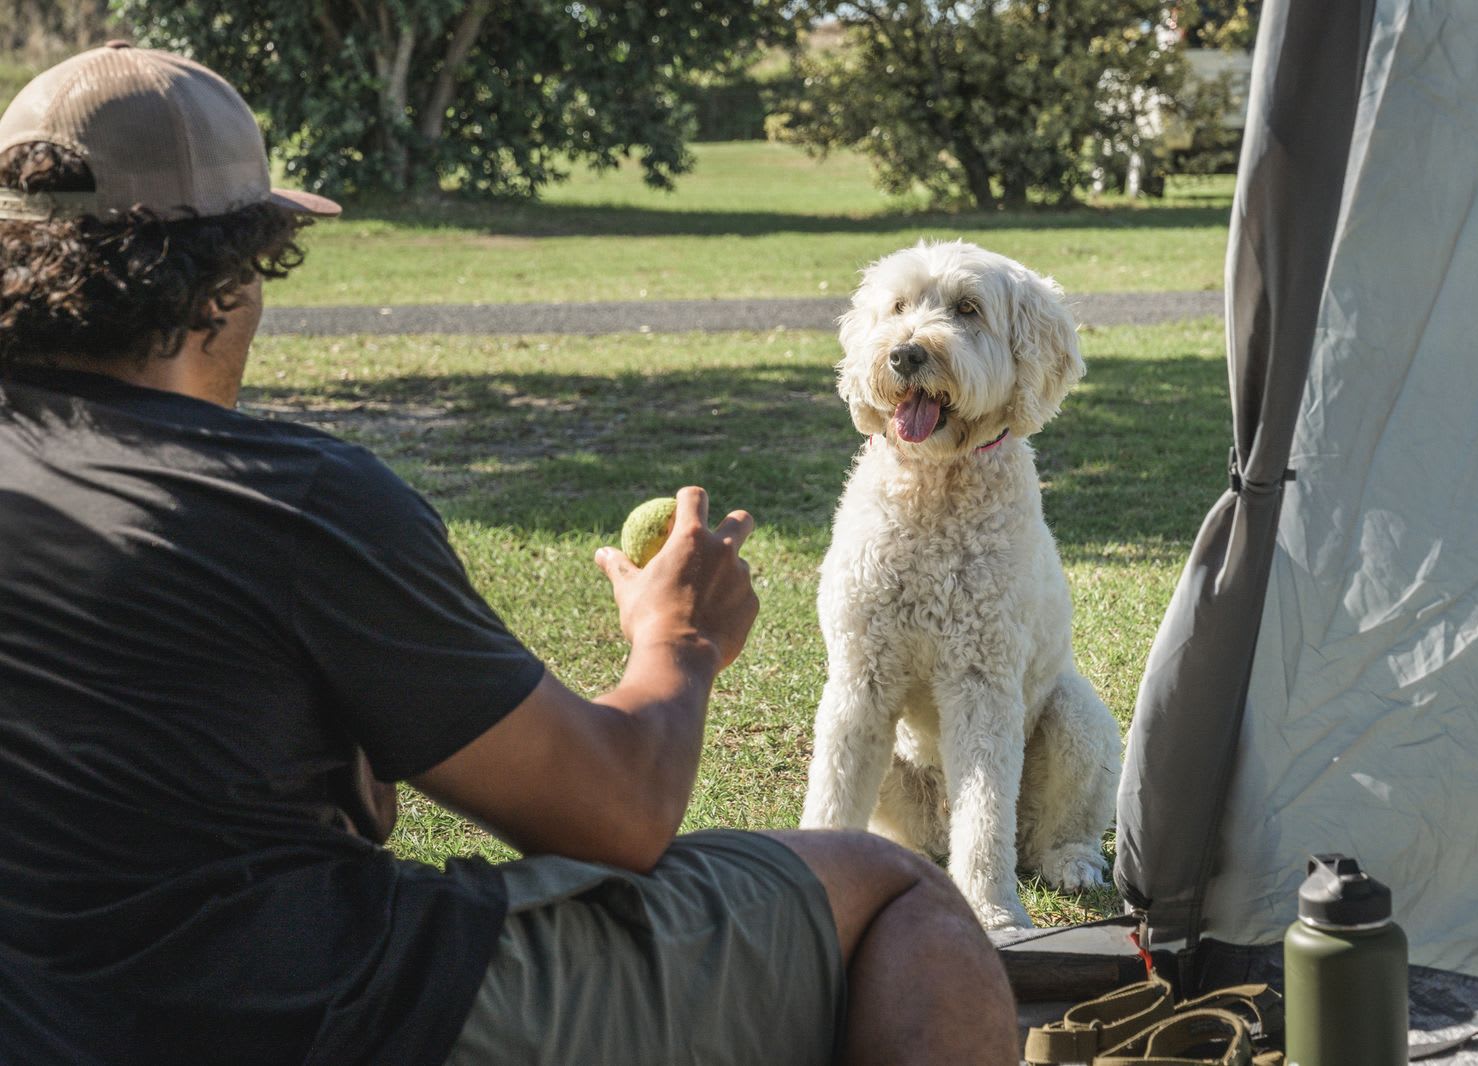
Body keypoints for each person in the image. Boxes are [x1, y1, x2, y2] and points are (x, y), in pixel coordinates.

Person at [0, 43, 1017, 1066]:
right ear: (227, 274)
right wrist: (679, 640)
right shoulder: (293, 499)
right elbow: (615, 815)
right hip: (310, 1011)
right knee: (902, 895)